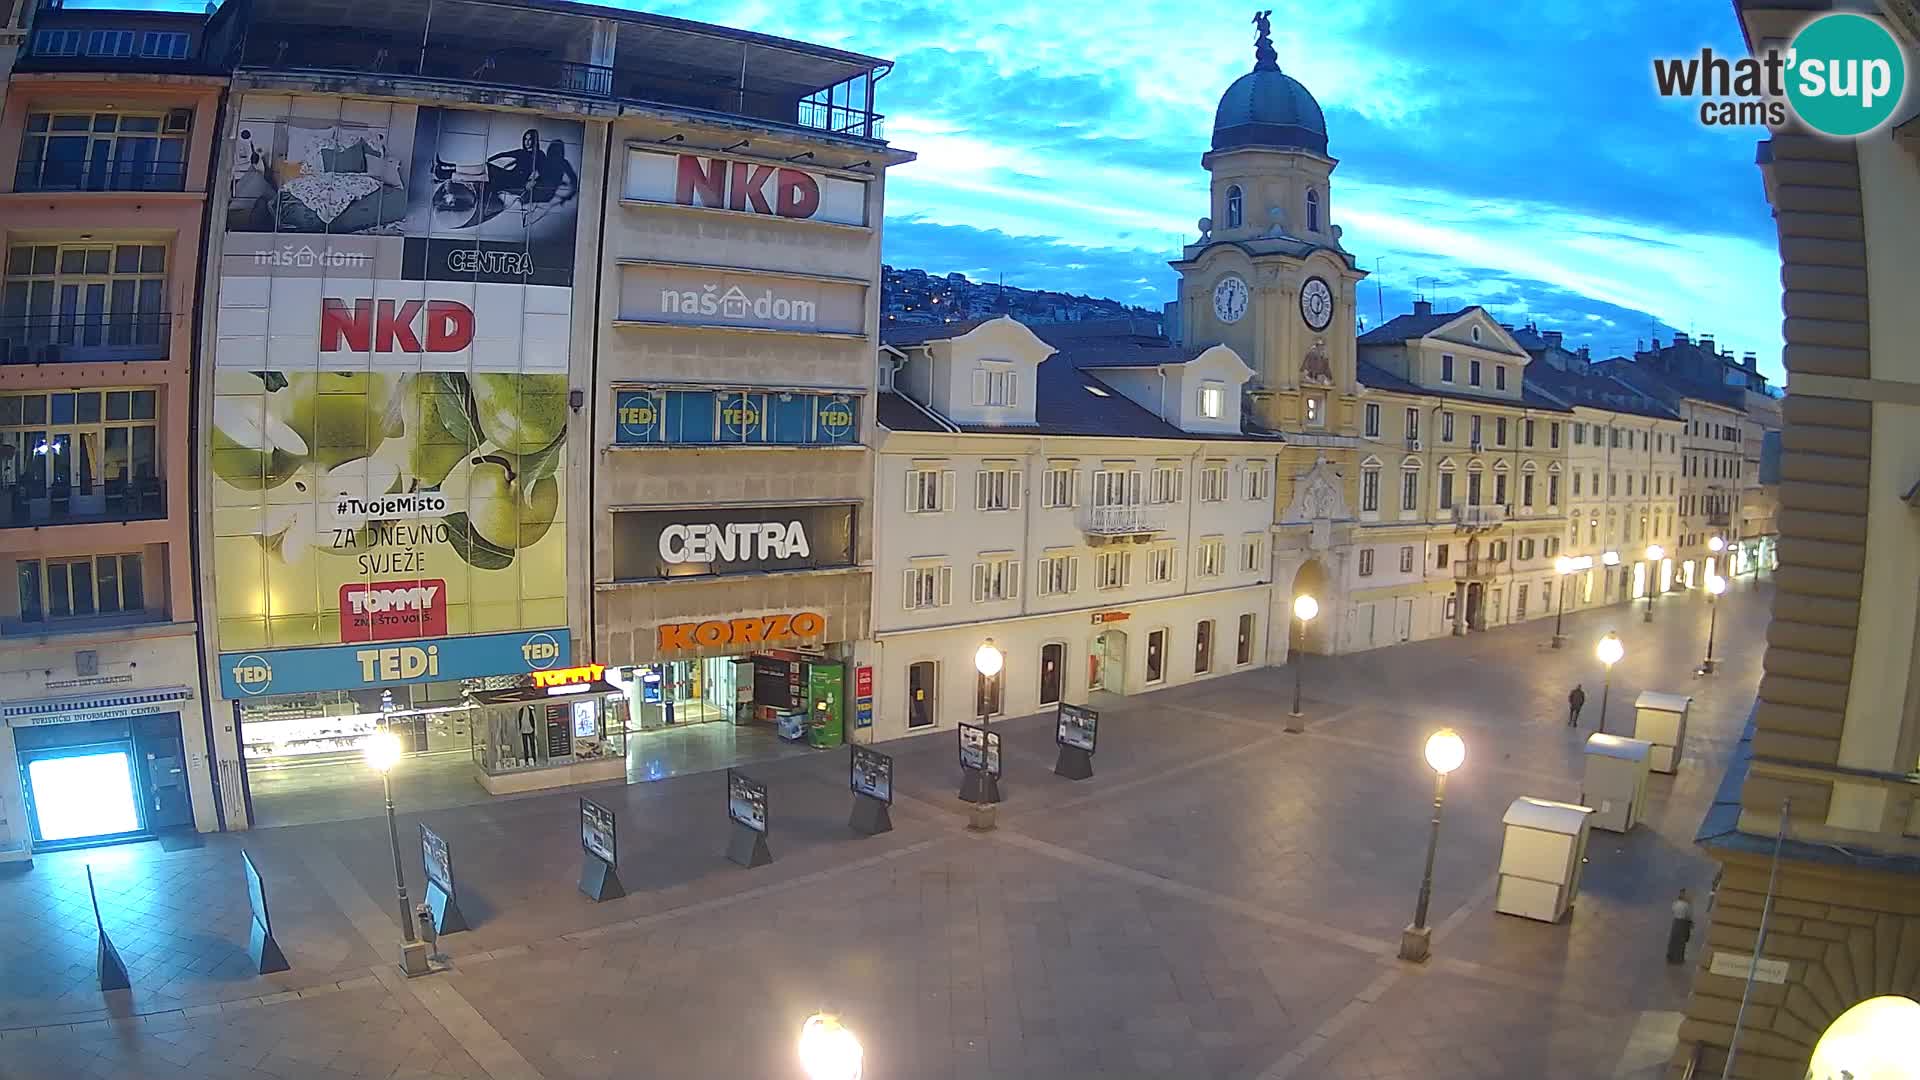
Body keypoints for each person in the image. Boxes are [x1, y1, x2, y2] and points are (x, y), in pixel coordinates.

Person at [1668, 889, 1694, 964]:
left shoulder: (1675, 903)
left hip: (1675, 922)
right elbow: (1688, 916)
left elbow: (1672, 910)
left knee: (1673, 940)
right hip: (1683, 923)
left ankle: (1670, 957)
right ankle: (1679, 959)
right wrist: (1691, 923)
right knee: (1681, 942)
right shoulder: (1687, 905)